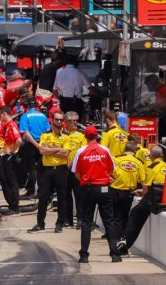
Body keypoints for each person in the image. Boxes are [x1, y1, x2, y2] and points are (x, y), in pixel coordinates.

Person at [71, 125, 120, 263]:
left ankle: (84, 255)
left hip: (88, 188)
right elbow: (111, 170)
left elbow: (77, 173)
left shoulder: (80, 151)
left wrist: (86, 181)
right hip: (104, 188)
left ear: (85, 136)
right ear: (96, 136)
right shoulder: (105, 150)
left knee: (86, 222)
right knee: (109, 221)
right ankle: (115, 254)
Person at [117, 146, 166, 256]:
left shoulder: (151, 167)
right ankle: (124, 242)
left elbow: (146, 188)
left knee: (135, 213)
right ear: (162, 156)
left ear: (151, 156)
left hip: (155, 197)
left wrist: (141, 192)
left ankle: (124, 242)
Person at [28, 111, 70, 233]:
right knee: (43, 198)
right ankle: (40, 224)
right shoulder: (45, 135)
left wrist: (50, 149)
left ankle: (60, 224)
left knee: (62, 198)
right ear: (52, 120)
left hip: (61, 170)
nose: (59, 122)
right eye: (57, 120)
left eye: (61, 120)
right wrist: (58, 149)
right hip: (47, 170)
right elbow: (42, 151)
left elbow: (66, 153)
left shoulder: (66, 135)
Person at [109, 141, 146, 242]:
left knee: (116, 217)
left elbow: (106, 171)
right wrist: (144, 192)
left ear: (124, 149)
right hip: (129, 193)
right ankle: (123, 240)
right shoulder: (139, 162)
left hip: (115, 191)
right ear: (135, 150)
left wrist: (109, 177)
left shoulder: (116, 159)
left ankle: (116, 240)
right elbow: (143, 181)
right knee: (125, 216)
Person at [18, 97, 50, 197]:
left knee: (31, 168)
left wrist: (35, 144)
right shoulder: (43, 116)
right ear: (36, 105)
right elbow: (47, 131)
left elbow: (26, 133)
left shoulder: (25, 116)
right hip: (42, 144)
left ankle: (32, 191)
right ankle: (42, 190)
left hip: (31, 144)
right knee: (42, 168)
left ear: (27, 106)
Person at [60, 111, 87, 228]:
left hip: (77, 169)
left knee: (79, 195)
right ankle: (67, 220)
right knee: (66, 195)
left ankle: (80, 219)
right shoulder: (61, 134)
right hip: (64, 168)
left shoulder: (81, 134)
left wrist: (73, 163)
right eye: (72, 121)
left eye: (76, 120)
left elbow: (83, 151)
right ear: (66, 122)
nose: (75, 123)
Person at [0, 106, 22, 214]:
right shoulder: (7, 125)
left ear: (4, 114)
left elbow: (19, 140)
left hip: (10, 157)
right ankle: (12, 205)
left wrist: (12, 151)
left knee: (12, 181)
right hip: (5, 156)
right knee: (7, 180)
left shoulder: (12, 125)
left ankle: (15, 207)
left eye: (0, 114)